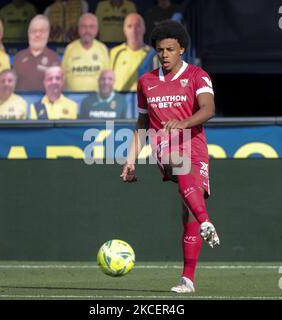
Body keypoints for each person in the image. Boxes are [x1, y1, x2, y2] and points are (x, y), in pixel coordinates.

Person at [120, 20, 219, 293]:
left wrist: (185, 123)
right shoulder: (146, 82)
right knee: (177, 159)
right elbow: (142, 123)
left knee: (187, 213)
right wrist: (131, 159)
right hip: (165, 144)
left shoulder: (199, 76)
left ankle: (187, 279)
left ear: (181, 50)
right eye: (159, 50)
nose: (164, 55)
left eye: (170, 49)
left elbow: (208, 109)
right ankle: (207, 220)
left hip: (196, 146)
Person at [61, 13, 110, 92]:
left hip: (96, 99)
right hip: (73, 98)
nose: (87, 31)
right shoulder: (70, 49)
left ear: (97, 30)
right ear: (78, 29)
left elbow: (108, 77)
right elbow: (62, 77)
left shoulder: (102, 49)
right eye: (84, 26)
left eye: (91, 27)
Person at [110, 13, 156, 92]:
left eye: (137, 26)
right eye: (129, 26)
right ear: (124, 30)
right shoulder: (114, 53)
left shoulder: (153, 54)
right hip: (120, 102)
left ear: (144, 29)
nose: (133, 30)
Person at [14, 15, 60, 92]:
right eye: (34, 31)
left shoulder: (54, 57)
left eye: (42, 31)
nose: (37, 35)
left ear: (48, 34)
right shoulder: (18, 57)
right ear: (28, 34)